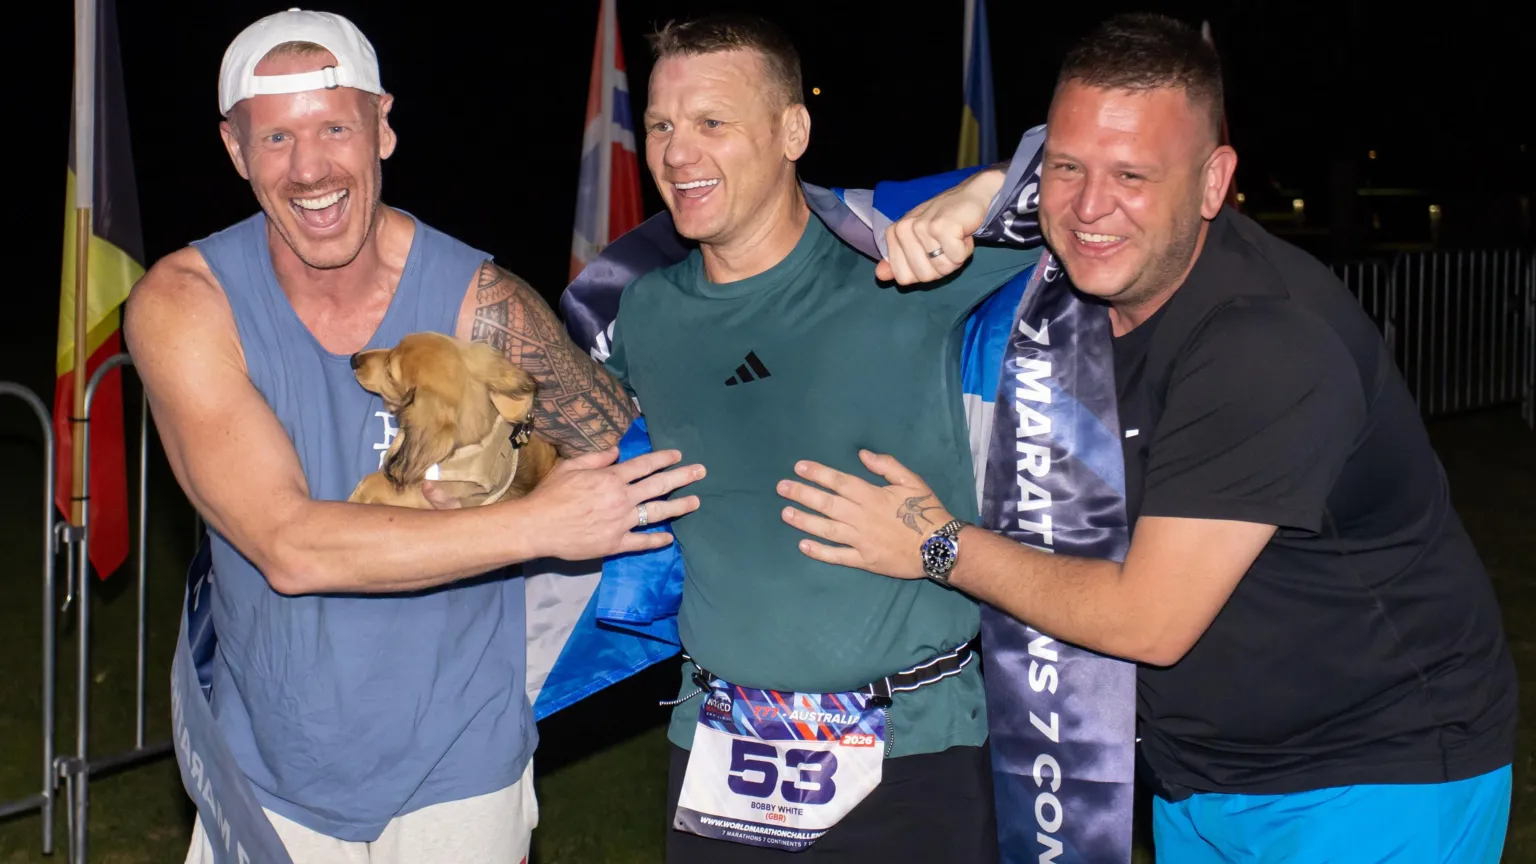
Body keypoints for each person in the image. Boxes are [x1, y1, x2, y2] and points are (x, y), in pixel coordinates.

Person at [777, 12, 1518, 862]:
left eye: (1133, 175)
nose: (1092, 207)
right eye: (1068, 168)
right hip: (1197, 778)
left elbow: (1148, 620)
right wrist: (983, 189)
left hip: (1374, 778)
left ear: (1213, 183)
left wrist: (936, 544)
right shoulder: (1070, 299)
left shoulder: (1263, 342)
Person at [124, 9, 703, 863]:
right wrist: (535, 523)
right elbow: (289, 546)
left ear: (382, 127)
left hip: (462, 765)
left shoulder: (479, 301)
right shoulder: (185, 305)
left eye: (334, 128)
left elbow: (629, 452)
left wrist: (520, 471)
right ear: (235, 148)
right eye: (276, 137)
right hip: (273, 771)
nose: (309, 168)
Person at [597, 13, 1044, 863]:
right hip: (719, 751)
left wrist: (982, 190)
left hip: (911, 758)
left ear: (792, 131)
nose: (677, 152)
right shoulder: (647, 312)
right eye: (660, 125)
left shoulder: (897, 266)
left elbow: (1111, 172)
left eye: (712, 122)